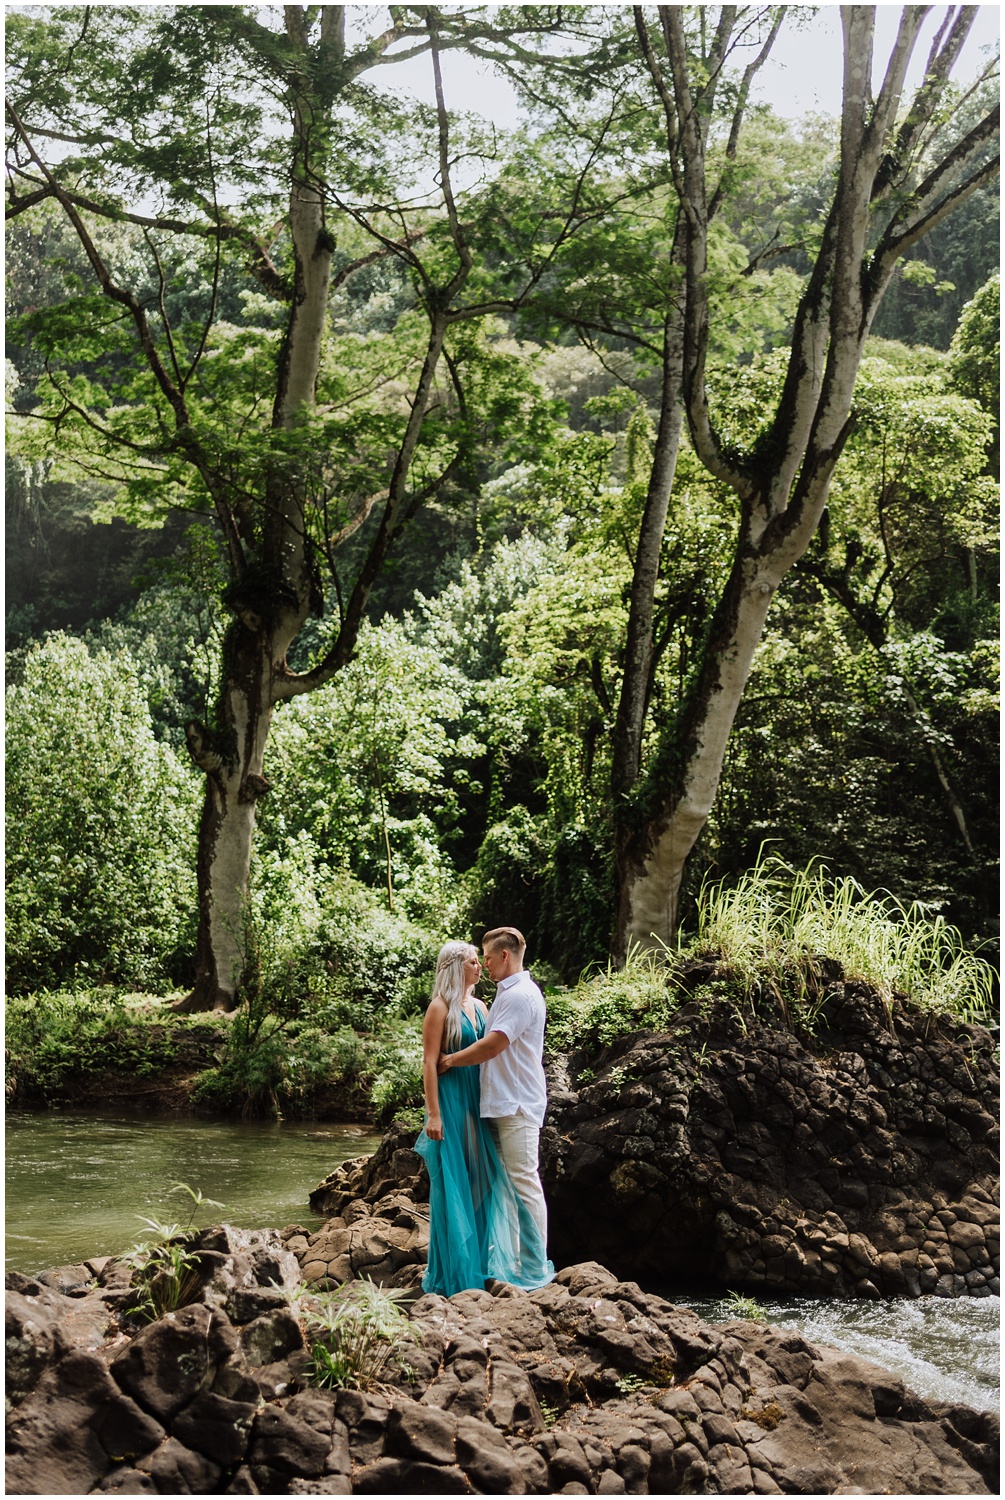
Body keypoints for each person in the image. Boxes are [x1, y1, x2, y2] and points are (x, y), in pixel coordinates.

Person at [413, 940, 552, 1297]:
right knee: (455, 1185)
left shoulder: (479, 1006)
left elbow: (490, 1048)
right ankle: (455, 1271)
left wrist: (456, 1062)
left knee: (483, 1184)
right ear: (456, 966)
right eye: (475, 962)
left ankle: (481, 1262)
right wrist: (434, 1114)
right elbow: (430, 1062)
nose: (481, 967)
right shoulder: (438, 1008)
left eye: (482, 960)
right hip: (451, 1101)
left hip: (479, 1101)